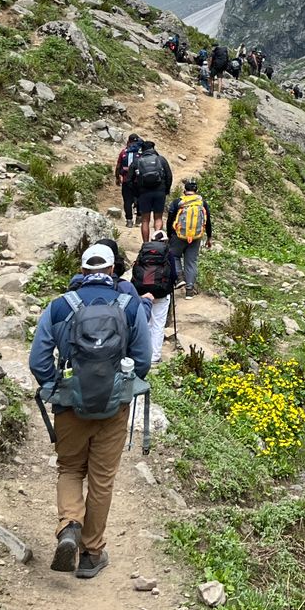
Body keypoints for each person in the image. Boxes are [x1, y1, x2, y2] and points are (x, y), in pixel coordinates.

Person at [29, 244, 151, 580]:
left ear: (81, 272)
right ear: (113, 271)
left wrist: (58, 385)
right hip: (113, 409)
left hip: (70, 407)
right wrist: (122, 386)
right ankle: (91, 553)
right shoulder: (128, 306)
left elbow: (38, 360)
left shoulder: (59, 306)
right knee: (102, 481)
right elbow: (143, 358)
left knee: (69, 468)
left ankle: (69, 525)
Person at [132, 230, 180, 363]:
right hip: (161, 293)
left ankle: (142, 353)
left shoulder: (144, 251)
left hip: (143, 292)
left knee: (145, 323)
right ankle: (155, 356)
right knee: (158, 325)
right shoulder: (168, 254)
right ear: (165, 241)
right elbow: (174, 275)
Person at [165, 180, 212, 296]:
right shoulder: (202, 203)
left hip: (178, 236)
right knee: (191, 262)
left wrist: (169, 234)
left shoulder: (178, 202)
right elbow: (208, 221)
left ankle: (180, 278)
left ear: (184, 191)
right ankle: (189, 290)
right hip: (196, 237)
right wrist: (209, 237)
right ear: (196, 191)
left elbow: (170, 220)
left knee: (174, 256)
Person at [128, 139, 172, 240]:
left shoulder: (137, 161)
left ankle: (146, 244)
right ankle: (158, 242)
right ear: (153, 148)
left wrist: (136, 193)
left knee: (145, 220)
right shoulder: (161, 159)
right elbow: (169, 176)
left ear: (142, 150)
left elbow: (129, 180)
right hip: (160, 191)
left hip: (144, 193)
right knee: (158, 218)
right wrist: (166, 190)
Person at [114, 133, 142, 229]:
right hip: (138, 181)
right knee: (139, 199)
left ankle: (129, 221)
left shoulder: (123, 152)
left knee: (127, 201)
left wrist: (117, 177)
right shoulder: (141, 153)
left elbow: (118, 166)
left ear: (128, 142)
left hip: (126, 180)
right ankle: (139, 218)